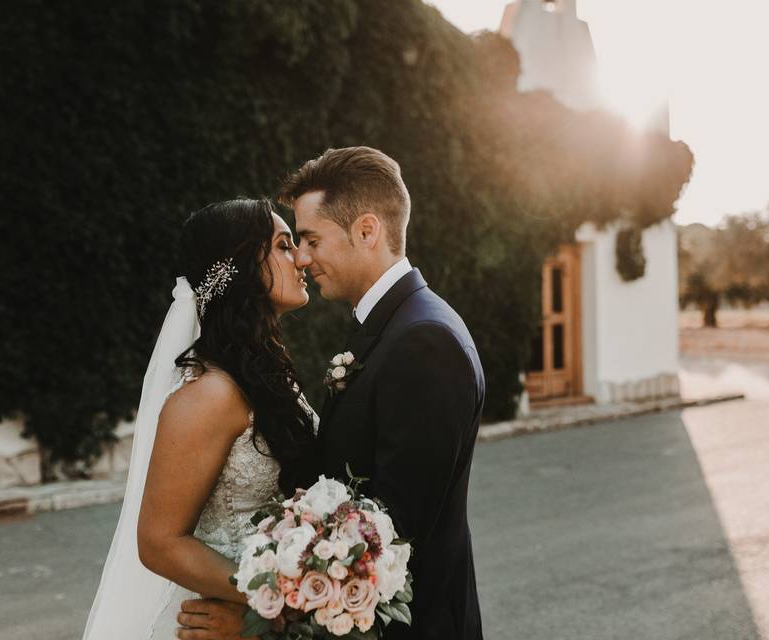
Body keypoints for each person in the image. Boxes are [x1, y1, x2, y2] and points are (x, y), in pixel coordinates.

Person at [179, 146, 486, 640]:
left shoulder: (424, 342)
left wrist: (265, 620)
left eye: (310, 239)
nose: (302, 256)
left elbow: (387, 541)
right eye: (293, 243)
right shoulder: (393, 329)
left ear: (367, 231)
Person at [82, 198, 319, 640]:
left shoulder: (262, 375)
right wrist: (272, 601)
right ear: (242, 265)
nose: (301, 257)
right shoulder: (211, 394)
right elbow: (159, 543)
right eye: (284, 246)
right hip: (223, 617)